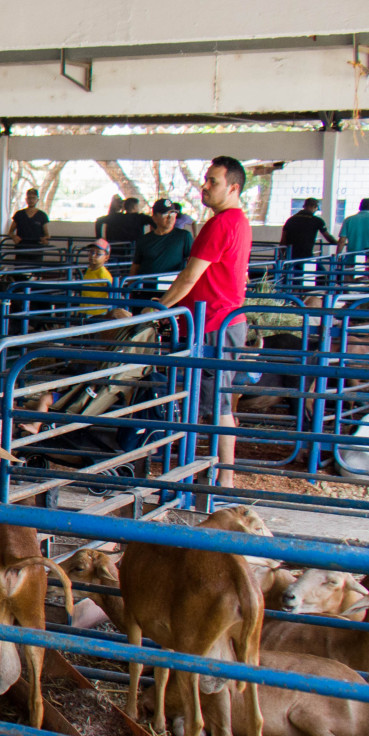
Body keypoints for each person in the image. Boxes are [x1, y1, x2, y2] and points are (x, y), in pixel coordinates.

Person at [158, 156, 253, 488]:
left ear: (233, 187)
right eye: (206, 180)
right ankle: (213, 471)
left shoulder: (221, 224)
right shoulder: (238, 222)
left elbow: (189, 277)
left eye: (213, 181)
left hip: (213, 321)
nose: (205, 186)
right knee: (214, 399)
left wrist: (157, 308)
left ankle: (222, 477)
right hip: (223, 320)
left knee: (215, 401)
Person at [279, 198, 337, 290]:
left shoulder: (291, 220)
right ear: (314, 207)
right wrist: (336, 243)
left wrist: (281, 255)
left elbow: (283, 240)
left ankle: (293, 296)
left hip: (292, 256)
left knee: (293, 279)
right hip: (307, 255)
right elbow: (327, 236)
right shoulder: (317, 221)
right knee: (323, 275)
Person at [130, 200, 192, 281]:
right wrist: (131, 286)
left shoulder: (184, 236)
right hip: (147, 287)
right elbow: (136, 266)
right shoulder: (144, 240)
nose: (170, 217)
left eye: (173, 213)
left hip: (171, 286)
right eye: (165, 214)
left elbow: (192, 263)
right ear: (154, 218)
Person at [341, 197, 369, 276]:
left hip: (352, 256)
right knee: (368, 280)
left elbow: (342, 240)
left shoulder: (349, 220)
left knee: (350, 279)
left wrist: (338, 255)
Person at [80, 239, 114, 317]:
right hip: (85, 310)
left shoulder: (103, 273)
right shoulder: (88, 270)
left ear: (106, 257)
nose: (92, 256)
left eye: (98, 254)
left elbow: (111, 291)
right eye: (91, 252)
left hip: (97, 312)